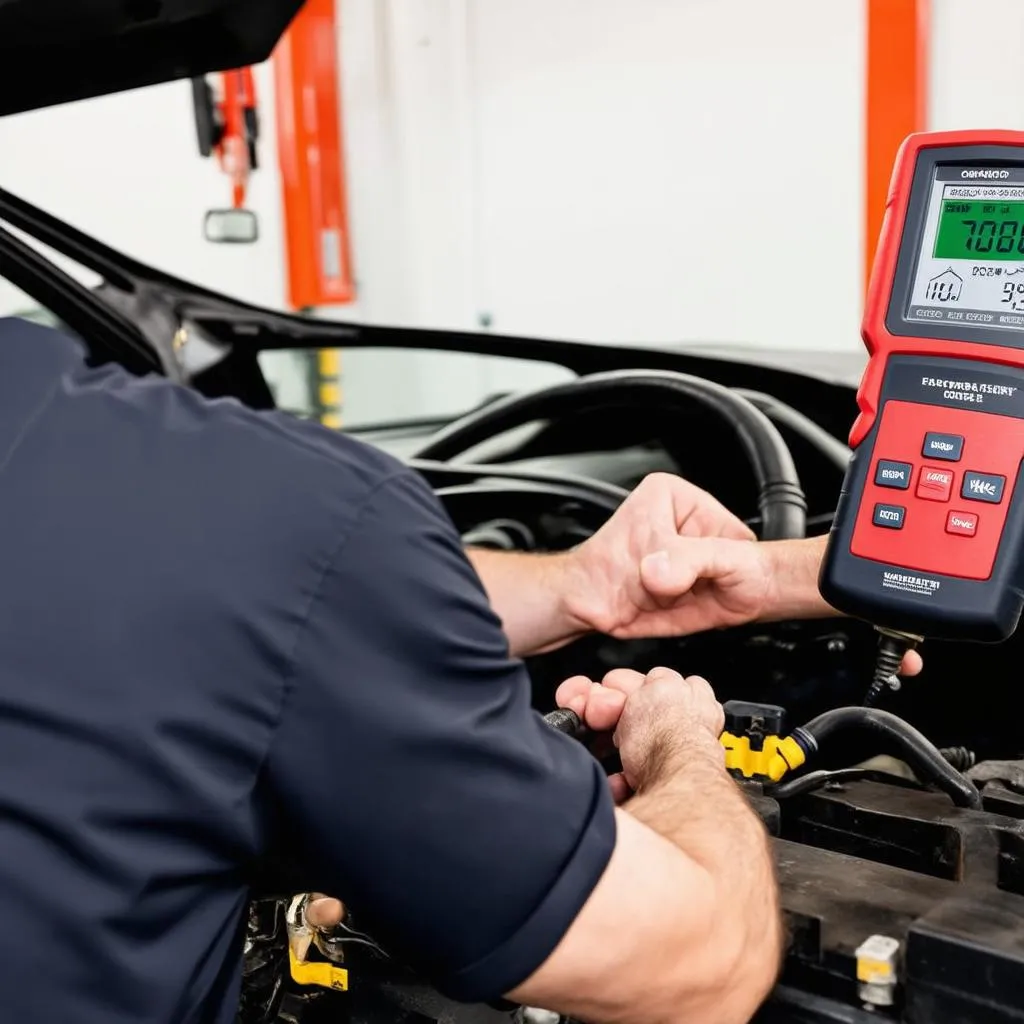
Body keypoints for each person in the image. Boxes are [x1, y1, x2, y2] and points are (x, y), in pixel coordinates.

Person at [0, 317, 917, 1024]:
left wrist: (575, 588)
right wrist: (684, 749)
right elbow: (706, 967)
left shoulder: (119, 507)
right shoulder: (269, 507)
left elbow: (210, 599)